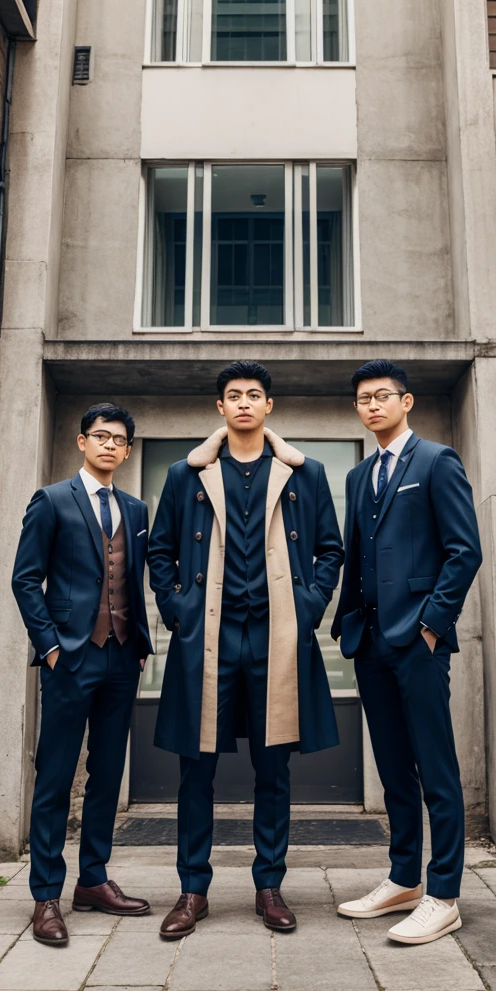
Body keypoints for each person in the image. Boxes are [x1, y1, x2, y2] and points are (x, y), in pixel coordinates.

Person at [148, 361, 344, 939]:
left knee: (274, 767)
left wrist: (308, 606)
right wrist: (179, 610)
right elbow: (160, 553)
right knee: (195, 767)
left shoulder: (304, 475)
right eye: (233, 396)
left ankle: (270, 887)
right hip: (206, 635)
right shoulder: (187, 477)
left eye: (253, 395)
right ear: (220, 408)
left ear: (268, 406)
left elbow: (329, 550)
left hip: (277, 635)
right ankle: (192, 890)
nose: (243, 404)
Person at [331, 360, 482, 944]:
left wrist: (431, 625)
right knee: (393, 767)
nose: (372, 406)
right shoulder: (358, 474)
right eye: (363, 399)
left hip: (418, 642)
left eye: (382, 396)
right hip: (370, 641)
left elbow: (463, 551)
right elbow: (355, 554)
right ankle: (403, 879)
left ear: (406, 401)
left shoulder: (436, 461)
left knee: (434, 768)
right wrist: (347, 623)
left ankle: (443, 893)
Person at [12, 403, 153, 946]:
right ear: (81, 441)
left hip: (122, 659)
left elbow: (133, 581)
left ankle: (93, 879)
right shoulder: (51, 500)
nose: (110, 445)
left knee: (107, 774)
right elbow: (26, 580)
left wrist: (138, 646)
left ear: (128, 449)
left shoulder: (137, 510)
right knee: (55, 776)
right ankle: (46, 893)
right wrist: (49, 648)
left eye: (120, 439)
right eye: (101, 436)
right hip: (70, 657)